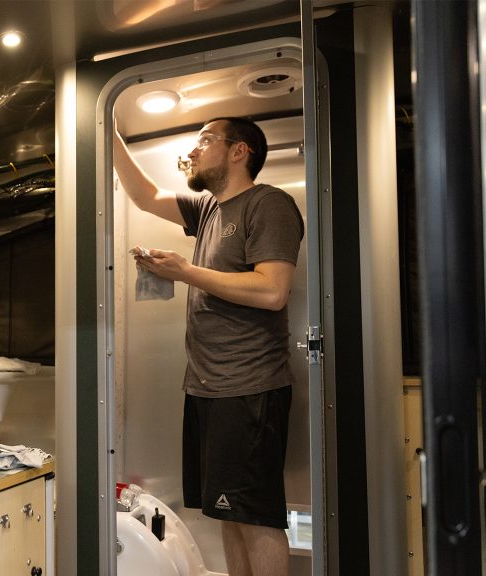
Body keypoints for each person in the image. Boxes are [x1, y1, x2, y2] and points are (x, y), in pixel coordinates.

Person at [113, 117, 304, 576]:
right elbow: (144, 196)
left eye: (204, 140)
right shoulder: (208, 210)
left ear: (239, 151)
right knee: (228, 513)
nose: (193, 151)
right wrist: (108, 131)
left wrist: (184, 271)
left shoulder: (268, 204)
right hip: (207, 387)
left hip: (249, 385)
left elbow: (272, 290)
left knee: (255, 518)